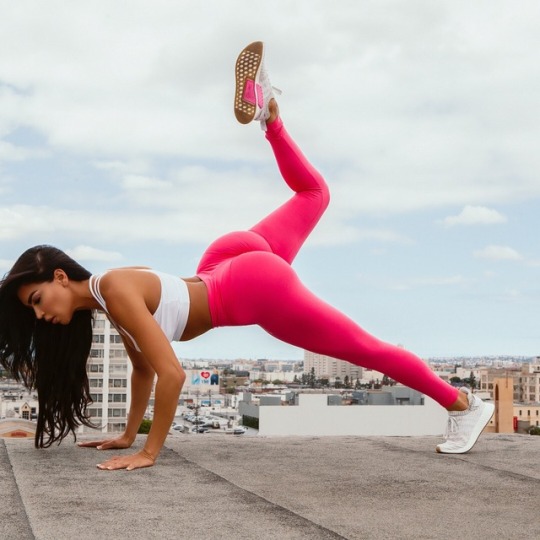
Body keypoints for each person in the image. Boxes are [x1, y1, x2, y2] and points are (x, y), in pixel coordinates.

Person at [0, 42, 494, 471]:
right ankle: (270, 116)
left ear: (61, 277)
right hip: (223, 263)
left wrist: (148, 452)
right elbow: (145, 371)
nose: (41, 313)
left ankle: (463, 403)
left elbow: (172, 372)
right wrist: (128, 434)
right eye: (33, 311)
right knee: (314, 195)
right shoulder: (110, 297)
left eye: (38, 299)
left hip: (248, 286)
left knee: (363, 349)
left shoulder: (112, 290)